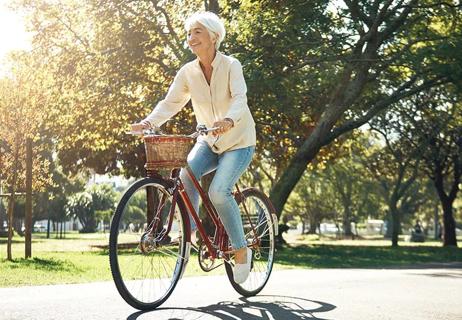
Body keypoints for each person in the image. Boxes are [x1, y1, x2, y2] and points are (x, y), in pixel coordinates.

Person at [131, 11, 256, 284]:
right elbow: (171, 102)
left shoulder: (232, 65)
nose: (191, 38)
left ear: (213, 36)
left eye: (197, 32)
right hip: (209, 141)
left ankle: (241, 249)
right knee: (186, 176)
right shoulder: (188, 72)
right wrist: (148, 122)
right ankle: (189, 235)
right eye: (189, 33)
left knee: (219, 192)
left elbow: (240, 98)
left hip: (238, 142)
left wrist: (228, 120)